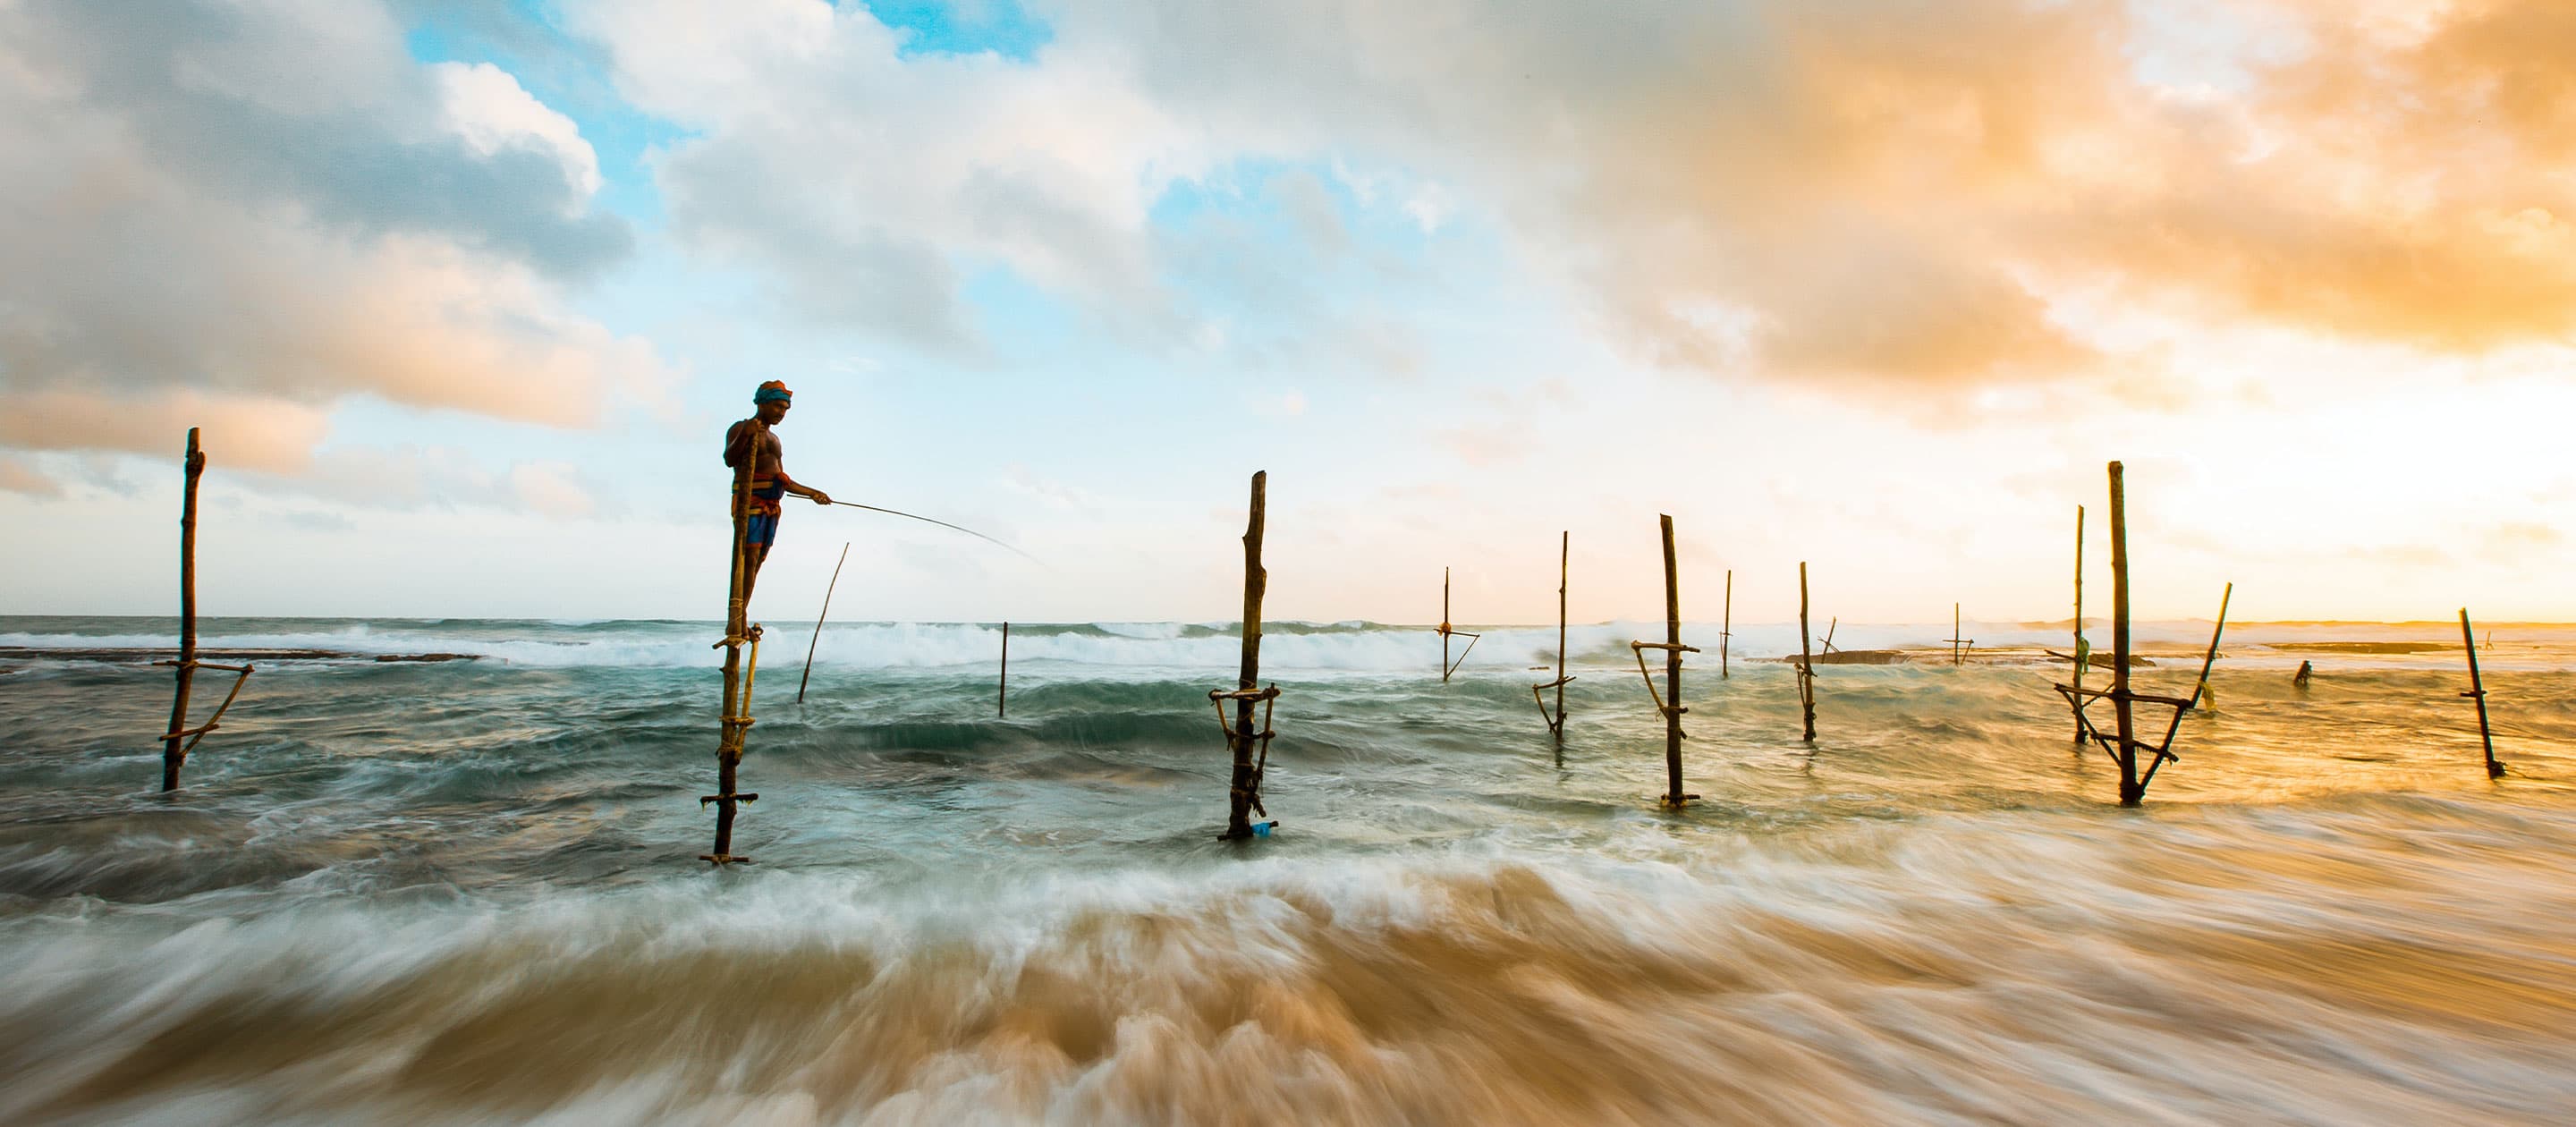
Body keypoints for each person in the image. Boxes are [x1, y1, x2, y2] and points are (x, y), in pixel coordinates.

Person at [723, 380, 832, 607]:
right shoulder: (741, 427)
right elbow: (729, 459)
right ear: (762, 403)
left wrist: (812, 493)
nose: (781, 413)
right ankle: (737, 616)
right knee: (747, 558)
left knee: (758, 559)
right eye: (777, 406)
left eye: (785, 409)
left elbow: (782, 479)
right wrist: (745, 434)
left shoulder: (775, 440)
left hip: (771, 505)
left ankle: (743, 610)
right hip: (750, 501)